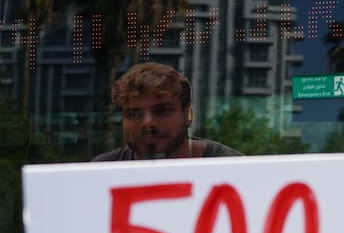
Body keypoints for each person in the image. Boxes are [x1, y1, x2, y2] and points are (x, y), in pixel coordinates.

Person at [93, 62, 240, 161]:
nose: (147, 123)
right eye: (134, 114)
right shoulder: (98, 173)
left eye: (162, 111)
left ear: (188, 114)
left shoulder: (233, 168)